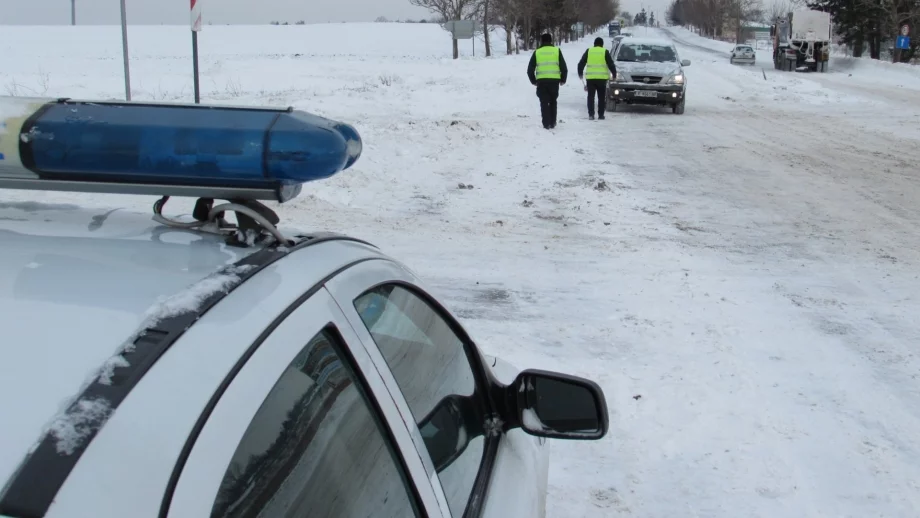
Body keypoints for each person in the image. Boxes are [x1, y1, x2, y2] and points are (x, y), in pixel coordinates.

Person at [527, 33, 568, 130]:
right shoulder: (557, 51)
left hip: (541, 81)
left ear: (541, 41)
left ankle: (546, 123)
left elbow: (530, 69)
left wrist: (533, 81)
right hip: (554, 81)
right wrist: (563, 79)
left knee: (544, 102)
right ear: (551, 41)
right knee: (553, 101)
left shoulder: (537, 52)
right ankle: (553, 122)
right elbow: (564, 67)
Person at [577, 37, 617, 120]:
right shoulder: (605, 51)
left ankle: (591, 115)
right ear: (602, 44)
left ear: (594, 44)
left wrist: (580, 73)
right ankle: (601, 115)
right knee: (601, 97)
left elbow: (581, 63)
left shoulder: (589, 51)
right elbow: (611, 64)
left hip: (590, 79)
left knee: (590, 97)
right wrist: (614, 74)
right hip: (602, 79)